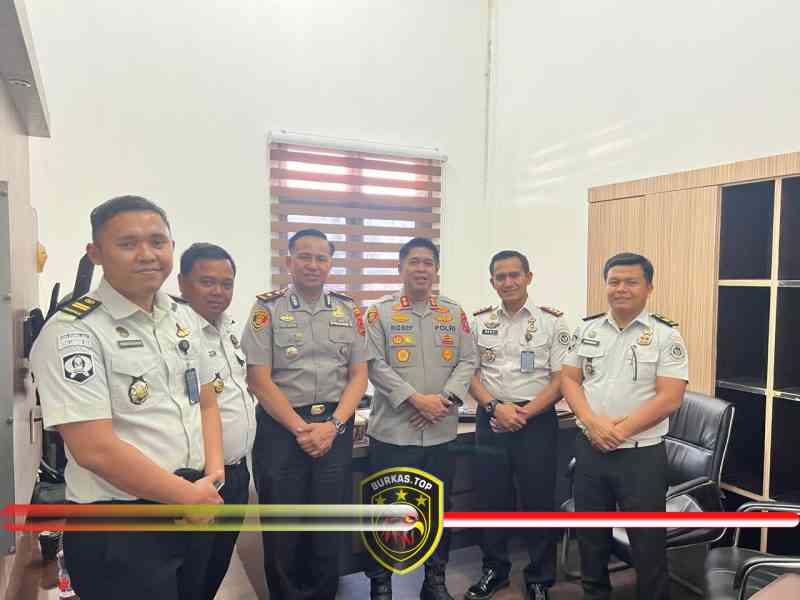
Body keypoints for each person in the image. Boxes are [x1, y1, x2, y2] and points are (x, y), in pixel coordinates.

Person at [30, 195, 224, 600]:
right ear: (96, 254)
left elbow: (205, 401)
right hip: (122, 526)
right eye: (128, 243)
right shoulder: (73, 332)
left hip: (193, 507)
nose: (147, 254)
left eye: (158, 241)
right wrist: (188, 497)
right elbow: (95, 450)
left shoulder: (183, 317)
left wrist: (214, 475)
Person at [241, 228, 368, 600]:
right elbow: (258, 379)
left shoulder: (349, 310)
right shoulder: (267, 309)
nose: (313, 265)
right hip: (281, 428)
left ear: (330, 264)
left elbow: (359, 376)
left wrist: (333, 425)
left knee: (328, 522)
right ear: (289, 261)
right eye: (305, 257)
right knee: (283, 524)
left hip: (334, 426)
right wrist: (302, 429)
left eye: (321, 258)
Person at [561, 252, 689, 600]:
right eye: (614, 281)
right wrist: (592, 424)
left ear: (649, 287)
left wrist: (618, 431)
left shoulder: (665, 335)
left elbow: (670, 397)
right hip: (591, 451)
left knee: (648, 547)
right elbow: (569, 380)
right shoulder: (586, 329)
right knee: (591, 542)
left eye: (631, 282)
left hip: (641, 457)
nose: (621, 289)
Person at [364, 237, 477, 600]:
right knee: (386, 508)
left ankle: (435, 580)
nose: (421, 269)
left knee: (439, 508)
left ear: (436, 269)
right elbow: (373, 364)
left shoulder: (453, 312)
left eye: (428, 262)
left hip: (441, 431)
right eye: (414, 262)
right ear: (400, 268)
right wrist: (415, 400)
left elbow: (468, 360)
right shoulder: (378, 313)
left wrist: (442, 401)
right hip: (394, 432)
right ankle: (381, 583)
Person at [465, 250, 571, 600]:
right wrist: (495, 408)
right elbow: (470, 373)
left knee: (539, 499)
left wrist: (523, 414)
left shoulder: (552, 322)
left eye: (515, 275)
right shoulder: (479, 321)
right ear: (492, 281)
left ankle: (540, 577)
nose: (508, 282)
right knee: (490, 498)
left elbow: (561, 380)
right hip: (491, 417)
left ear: (529, 277)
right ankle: (494, 570)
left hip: (536, 420)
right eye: (501, 276)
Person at [177, 242, 256, 600]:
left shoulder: (229, 328)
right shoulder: (178, 334)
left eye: (226, 284)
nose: (218, 292)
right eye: (207, 282)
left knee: (215, 567)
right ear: (182, 283)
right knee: (190, 574)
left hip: (236, 472)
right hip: (200, 477)